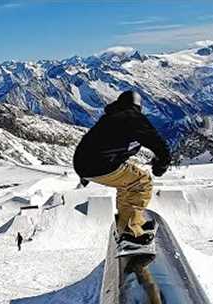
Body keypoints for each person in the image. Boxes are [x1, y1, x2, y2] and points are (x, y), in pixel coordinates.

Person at [73, 91, 170, 243]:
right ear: (138, 106)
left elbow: (97, 145)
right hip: (99, 164)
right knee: (142, 181)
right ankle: (132, 232)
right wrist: (162, 164)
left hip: (86, 164)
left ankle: (126, 224)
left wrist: (85, 175)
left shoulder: (111, 117)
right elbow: (158, 142)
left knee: (128, 182)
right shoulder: (132, 117)